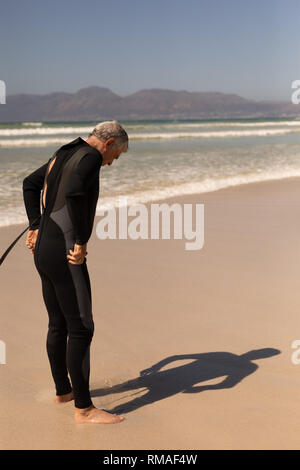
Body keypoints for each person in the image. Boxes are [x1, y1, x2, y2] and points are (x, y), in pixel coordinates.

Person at [22, 121, 128, 424]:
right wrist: (80, 241)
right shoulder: (92, 158)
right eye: (116, 155)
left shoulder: (65, 151)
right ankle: (84, 409)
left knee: (58, 323)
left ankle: (63, 391)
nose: (111, 162)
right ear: (108, 144)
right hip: (66, 251)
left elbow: (30, 183)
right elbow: (76, 193)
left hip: (44, 248)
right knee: (82, 327)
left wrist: (35, 224)